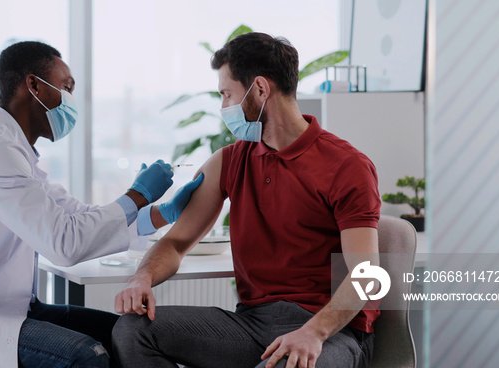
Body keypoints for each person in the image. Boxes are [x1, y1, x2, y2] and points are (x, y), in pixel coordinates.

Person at [0, 41, 203, 368]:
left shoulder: (16, 154)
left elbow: (76, 216)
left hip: (5, 306)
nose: (71, 100)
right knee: (88, 355)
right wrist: (137, 195)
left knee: (127, 332)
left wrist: (157, 213)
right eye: (66, 87)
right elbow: (64, 244)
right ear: (34, 86)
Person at [112, 32, 382, 368]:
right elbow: (176, 243)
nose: (223, 107)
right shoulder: (229, 161)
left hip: (329, 332)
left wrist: (313, 332)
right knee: (133, 330)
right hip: (252, 324)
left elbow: (365, 276)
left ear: (260, 89)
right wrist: (143, 277)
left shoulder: (345, 165)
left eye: (226, 94)